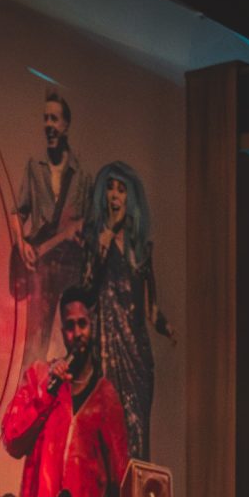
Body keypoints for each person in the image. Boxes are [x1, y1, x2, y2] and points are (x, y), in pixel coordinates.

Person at [1, 284, 128, 497]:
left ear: (93, 328)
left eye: (83, 324)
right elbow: (12, 438)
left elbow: (119, 478)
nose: (77, 332)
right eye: (70, 326)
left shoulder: (106, 397)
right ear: (62, 332)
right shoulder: (40, 377)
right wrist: (47, 391)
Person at [82, 161, 168, 462]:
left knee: (137, 432)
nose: (116, 196)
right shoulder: (96, 241)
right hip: (108, 350)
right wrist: (104, 241)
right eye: (111, 188)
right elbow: (87, 289)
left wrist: (165, 326)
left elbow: (151, 306)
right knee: (111, 437)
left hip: (137, 354)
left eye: (122, 190)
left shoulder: (140, 249)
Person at [7, 89, 89, 364]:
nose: (49, 126)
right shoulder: (35, 167)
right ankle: (29, 403)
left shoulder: (82, 174)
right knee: (35, 344)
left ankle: (64, 403)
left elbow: (87, 223)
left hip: (70, 267)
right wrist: (22, 244)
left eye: (54, 119)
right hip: (42, 266)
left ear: (66, 125)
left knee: (68, 342)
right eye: (45, 119)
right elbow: (17, 212)